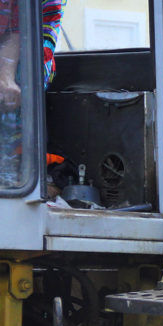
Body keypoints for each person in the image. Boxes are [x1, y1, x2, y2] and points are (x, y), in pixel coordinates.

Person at [0, 0, 65, 187]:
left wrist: (6, 78)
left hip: (21, 60)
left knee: (25, 79)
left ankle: (13, 174)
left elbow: (20, 26)